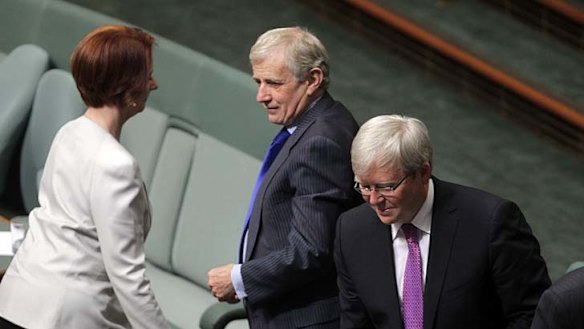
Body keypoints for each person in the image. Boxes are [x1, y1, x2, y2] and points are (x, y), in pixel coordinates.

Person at [0, 25, 170, 329]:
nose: (153, 84)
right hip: (63, 317)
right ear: (125, 85)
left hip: (17, 300)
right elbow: (127, 276)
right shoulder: (117, 165)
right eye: (147, 75)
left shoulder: (69, 132)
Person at [334, 114, 551, 329]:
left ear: (423, 172)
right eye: (363, 186)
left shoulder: (490, 223)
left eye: (386, 187)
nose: (373, 200)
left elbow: (531, 316)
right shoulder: (352, 231)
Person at [207, 26, 361, 328]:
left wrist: (239, 278)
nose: (261, 96)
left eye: (274, 83)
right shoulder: (309, 124)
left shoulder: (322, 141)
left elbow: (311, 250)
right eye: (258, 82)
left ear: (313, 79)